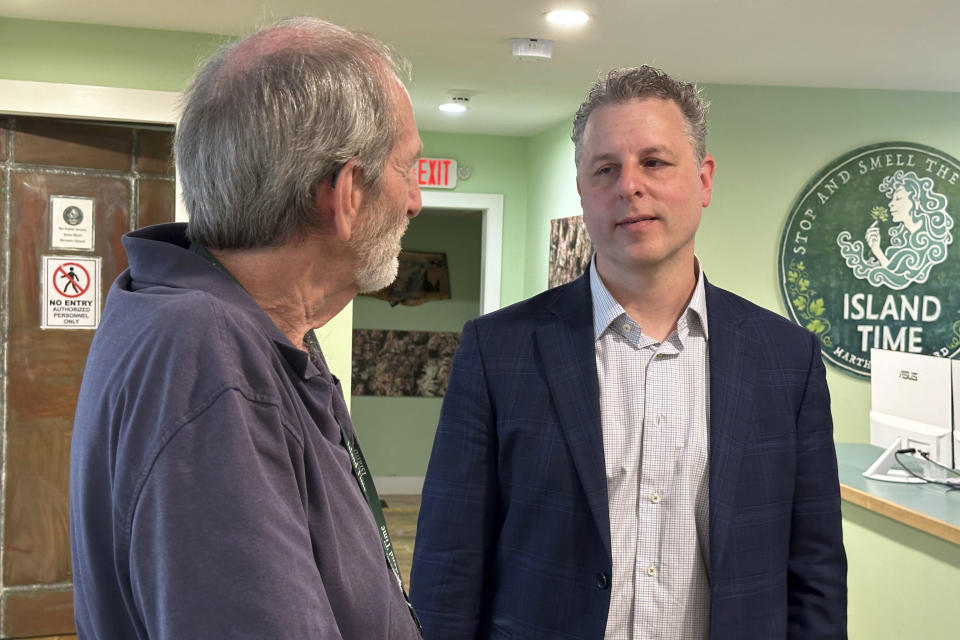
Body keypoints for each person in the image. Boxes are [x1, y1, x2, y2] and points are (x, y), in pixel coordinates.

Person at [411, 66, 847, 639]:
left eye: (655, 162)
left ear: (704, 178)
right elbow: (448, 565)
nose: (629, 186)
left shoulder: (786, 360)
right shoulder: (498, 351)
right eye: (605, 168)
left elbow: (814, 569)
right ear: (584, 190)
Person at [70, 16, 423, 639]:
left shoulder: (238, 328)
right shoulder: (206, 356)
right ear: (343, 193)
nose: (416, 201)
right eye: (408, 169)